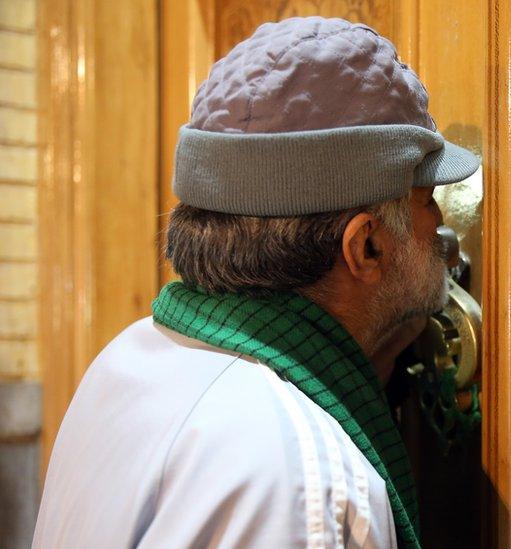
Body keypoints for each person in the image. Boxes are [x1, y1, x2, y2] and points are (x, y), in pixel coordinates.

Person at [33, 16, 479, 549]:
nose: (442, 229)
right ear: (367, 247)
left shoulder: (126, 361)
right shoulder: (304, 486)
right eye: (426, 198)